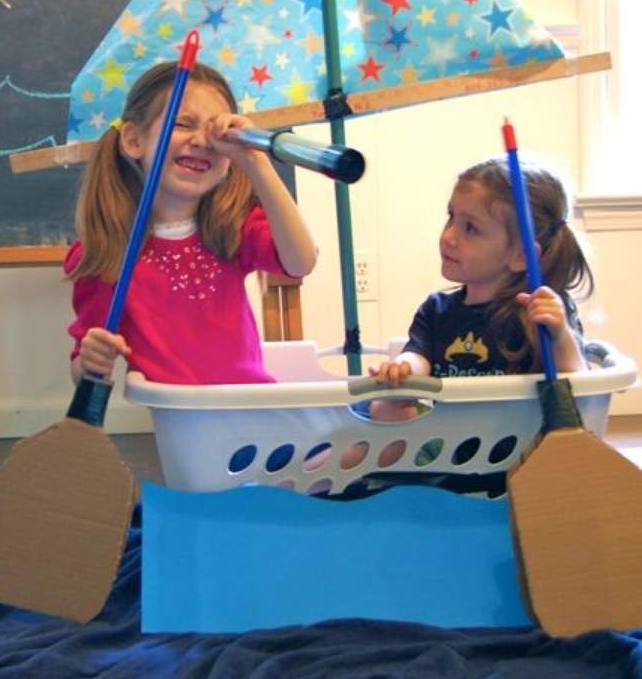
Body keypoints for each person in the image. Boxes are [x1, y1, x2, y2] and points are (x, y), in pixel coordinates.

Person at [65, 59, 317, 385]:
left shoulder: (232, 227)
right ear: (133, 141)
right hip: (187, 428)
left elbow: (301, 262)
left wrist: (255, 160)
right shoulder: (106, 254)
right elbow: (84, 370)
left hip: (256, 416)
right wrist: (89, 361)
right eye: (182, 124)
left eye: (215, 132)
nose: (201, 141)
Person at [367, 156, 594, 423]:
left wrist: (560, 337)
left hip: (521, 451)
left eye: (470, 228)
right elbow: (419, 356)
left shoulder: (537, 311)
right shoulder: (437, 310)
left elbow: (579, 394)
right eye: (451, 217)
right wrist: (403, 369)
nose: (449, 236)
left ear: (521, 257)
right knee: (383, 407)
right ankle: (317, 465)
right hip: (447, 447)